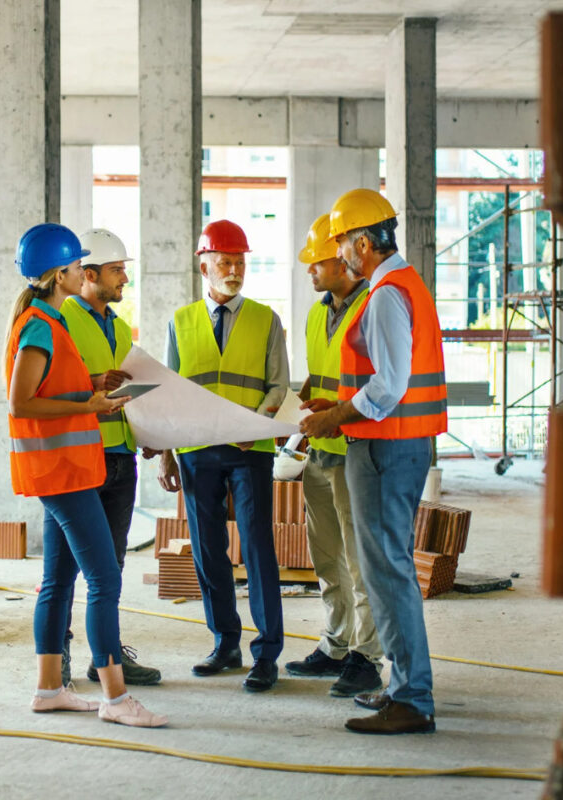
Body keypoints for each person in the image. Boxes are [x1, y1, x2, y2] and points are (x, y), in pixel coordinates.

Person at [6, 223, 167, 728]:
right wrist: (91, 407)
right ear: (61, 275)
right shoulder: (41, 326)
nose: (83, 270)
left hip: (64, 468)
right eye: (78, 265)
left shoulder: (47, 322)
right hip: (63, 471)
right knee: (104, 578)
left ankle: (49, 689)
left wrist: (92, 388)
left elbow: (53, 388)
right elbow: (21, 402)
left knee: (57, 581)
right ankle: (116, 698)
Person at [300, 189, 447, 735]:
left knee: (387, 571)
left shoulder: (386, 293)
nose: (339, 255)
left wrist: (336, 415)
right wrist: (336, 405)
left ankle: (411, 697)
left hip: (385, 447)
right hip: (397, 444)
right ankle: (402, 686)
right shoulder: (405, 284)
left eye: (342, 243)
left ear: (364, 243)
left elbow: (388, 386)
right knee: (389, 568)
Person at [156, 219, 289, 693]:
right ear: (204, 265)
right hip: (194, 452)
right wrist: (167, 455)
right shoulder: (180, 321)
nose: (234, 270)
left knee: (257, 549)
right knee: (209, 550)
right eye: (225, 262)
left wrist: (260, 423)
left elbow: (278, 385)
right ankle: (225, 642)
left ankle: (267, 652)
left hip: (249, 451)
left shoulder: (266, 319)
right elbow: (169, 391)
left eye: (240, 262)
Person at [282, 213, 386, 699]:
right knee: (327, 559)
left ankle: (368, 654)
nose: (310, 270)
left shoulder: (374, 305)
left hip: (356, 451)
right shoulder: (316, 313)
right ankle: (338, 642)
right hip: (319, 451)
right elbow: (318, 379)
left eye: (317, 261)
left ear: (342, 260)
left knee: (361, 560)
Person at [59, 228, 162, 688]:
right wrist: (94, 381)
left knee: (111, 566)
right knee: (64, 565)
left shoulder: (118, 326)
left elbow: (123, 393)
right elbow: (49, 389)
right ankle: (55, 652)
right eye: (118, 271)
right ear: (89, 273)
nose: (125, 280)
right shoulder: (61, 318)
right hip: (79, 457)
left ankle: (106, 656)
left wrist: (151, 430)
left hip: (120, 455)